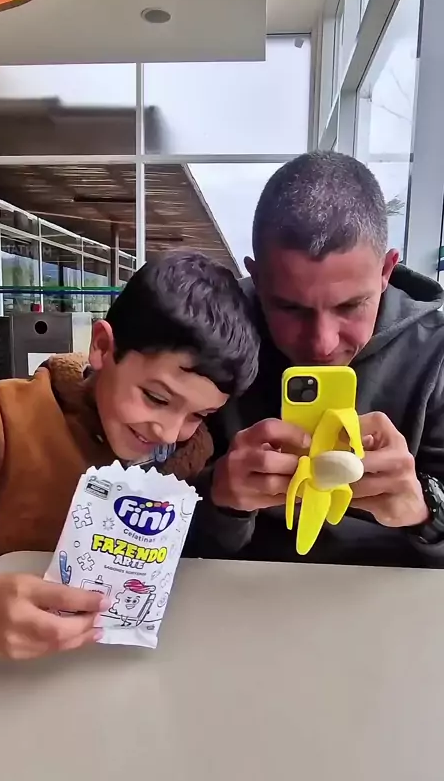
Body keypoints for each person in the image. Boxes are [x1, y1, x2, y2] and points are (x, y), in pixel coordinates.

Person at [0, 252, 259, 658]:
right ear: (102, 347)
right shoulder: (2, 419)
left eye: (198, 414)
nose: (168, 432)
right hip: (7, 671)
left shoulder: (192, 455)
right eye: (156, 397)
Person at [188, 151, 444, 567]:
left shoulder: (436, 353)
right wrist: (219, 500)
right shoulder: (213, 336)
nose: (323, 344)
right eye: (290, 308)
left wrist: (425, 511)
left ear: (386, 271)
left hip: (390, 590)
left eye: (351, 306)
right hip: (240, 586)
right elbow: (147, 522)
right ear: (257, 277)